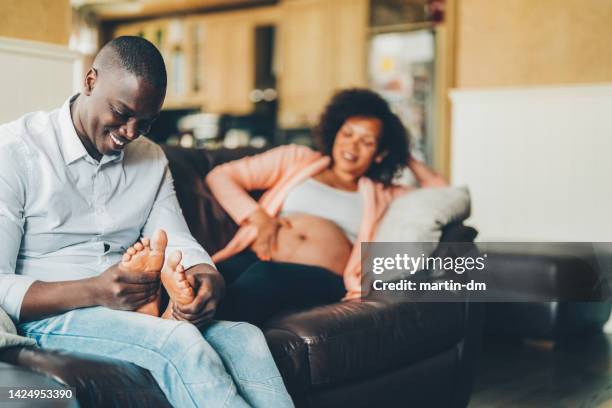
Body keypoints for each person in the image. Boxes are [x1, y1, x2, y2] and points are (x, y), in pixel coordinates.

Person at [0, 36, 293, 408]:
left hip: (131, 313)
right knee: (180, 343)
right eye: (122, 113)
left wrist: (206, 279)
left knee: (246, 339)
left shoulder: (151, 159)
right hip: (51, 316)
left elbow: (179, 241)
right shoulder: (14, 151)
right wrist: (96, 290)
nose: (131, 133)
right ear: (90, 82)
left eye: (146, 123)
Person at [202, 89, 448, 325]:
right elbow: (220, 176)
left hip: (324, 278)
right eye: (348, 134)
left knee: (264, 277)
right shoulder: (296, 159)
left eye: (367, 142)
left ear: (379, 154)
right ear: (335, 132)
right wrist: (259, 218)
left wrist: (403, 154)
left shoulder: (383, 194)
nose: (352, 146)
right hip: (258, 256)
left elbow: (443, 194)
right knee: (210, 277)